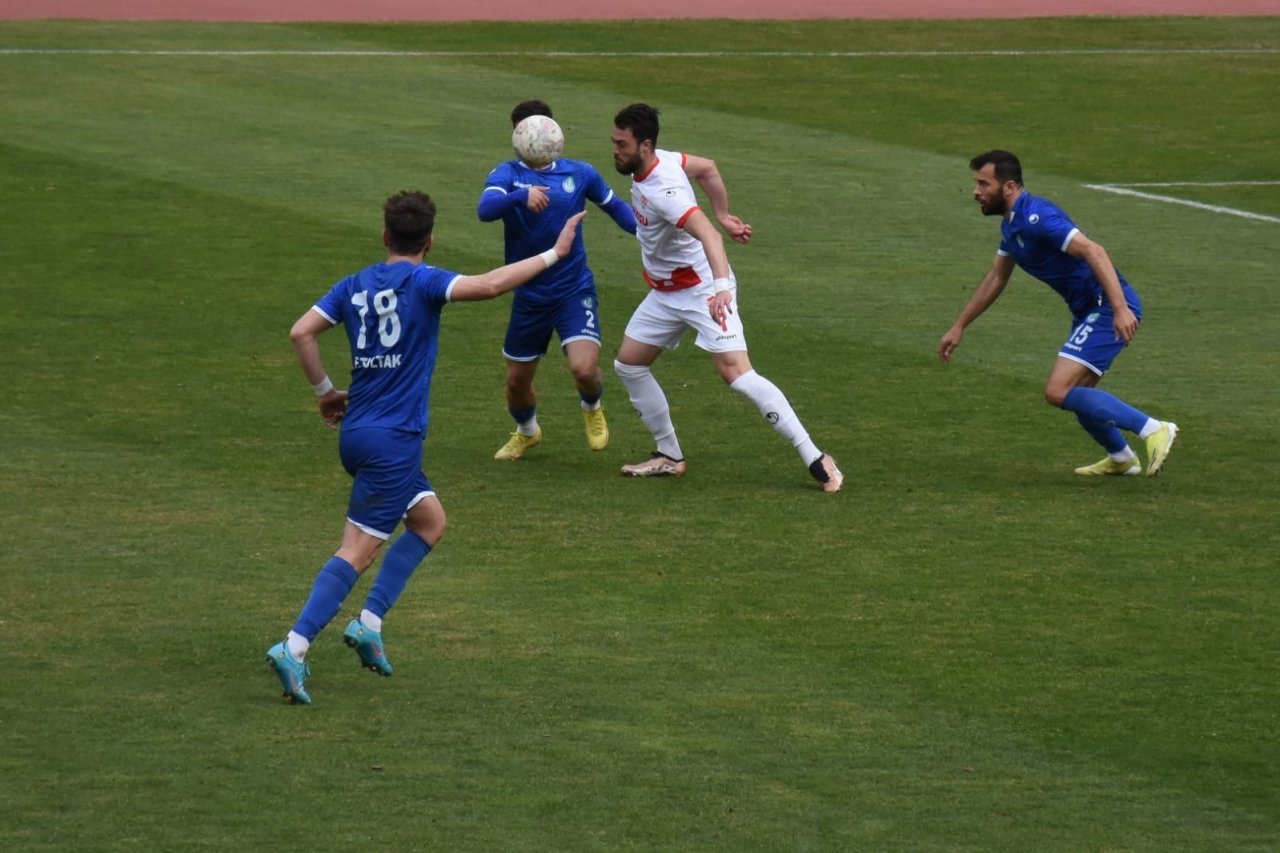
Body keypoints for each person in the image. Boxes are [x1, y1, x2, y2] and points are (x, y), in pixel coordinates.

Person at [266, 191, 585, 705]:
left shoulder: (352, 285)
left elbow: (301, 332)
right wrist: (555, 253)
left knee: (430, 521)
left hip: (358, 434)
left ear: (385, 236)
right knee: (359, 550)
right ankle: (294, 646)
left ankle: (368, 625)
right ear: (430, 241)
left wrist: (326, 395)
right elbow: (490, 284)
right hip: (394, 443)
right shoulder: (424, 281)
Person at [608, 103, 842, 492]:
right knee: (629, 364)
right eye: (613, 142)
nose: (614, 150)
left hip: (701, 290)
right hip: (666, 294)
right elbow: (708, 167)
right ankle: (669, 455)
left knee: (736, 374)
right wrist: (725, 211)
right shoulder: (662, 160)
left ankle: (817, 458)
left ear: (645, 146)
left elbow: (710, 238)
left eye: (622, 144)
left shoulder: (664, 191)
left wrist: (720, 287)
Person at [939, 150, 1178, 476]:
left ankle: (1153, 429)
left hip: (1106, 307)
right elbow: (996, 278)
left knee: (1058, 390)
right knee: (1079, 393)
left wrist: (1120, 309)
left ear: (1009, 187)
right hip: (1087, 311)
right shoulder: (1012, 227)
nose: (976, 191)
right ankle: (1122, 458)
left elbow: (1095, 250)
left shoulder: (1038, 218)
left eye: (983, 183)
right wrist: (959, 326)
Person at [479, 99, 637, 461]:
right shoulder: (506, 175)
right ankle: (527, 432)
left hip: (572, 289)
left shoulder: (580, 173)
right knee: (516, 384)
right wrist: (521, 197)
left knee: (584, 369)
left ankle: (592, 405)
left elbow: (617, 209)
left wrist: (651, 232)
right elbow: (485, 209)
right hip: (529, 295)